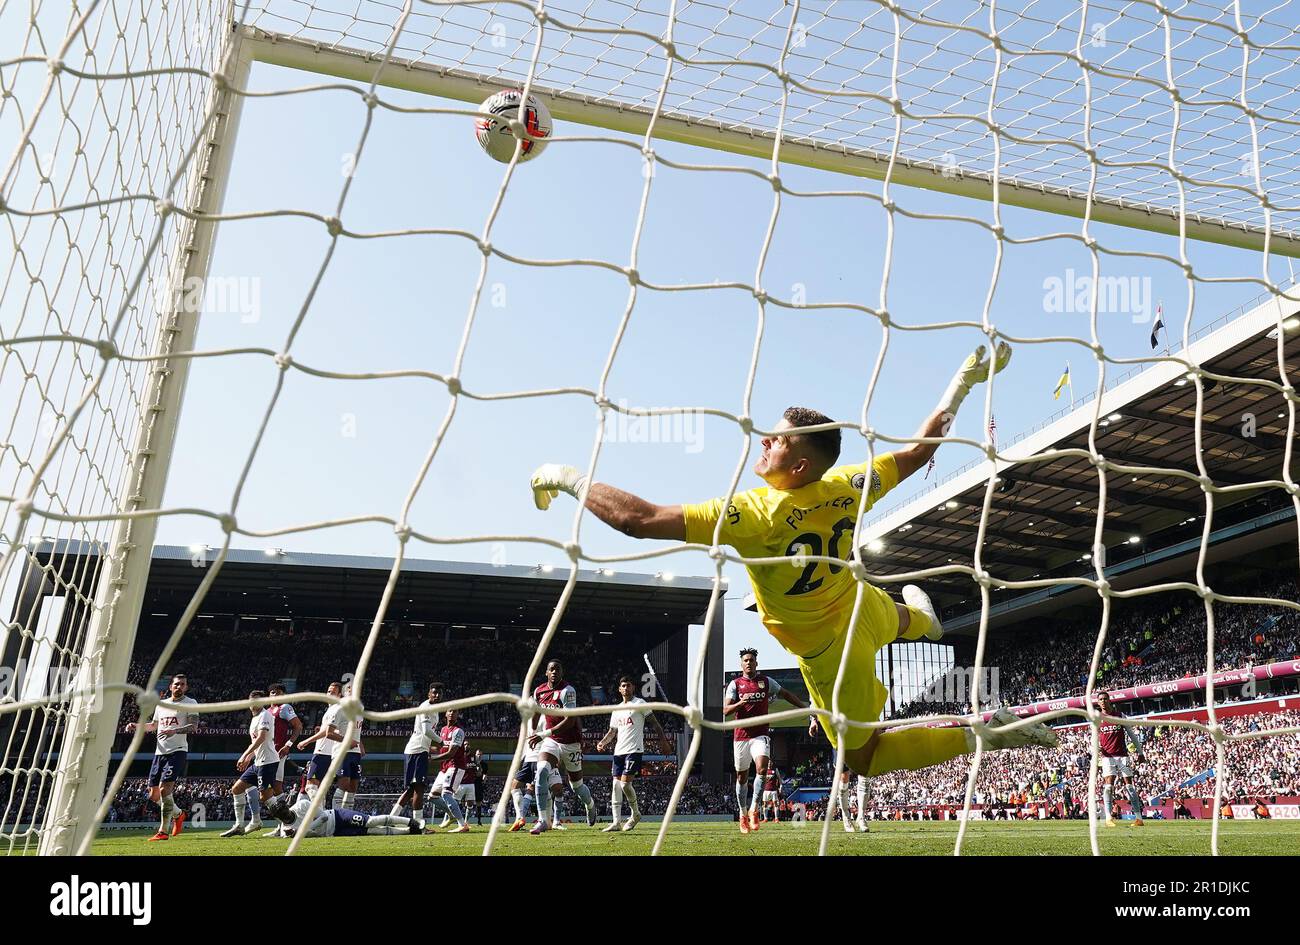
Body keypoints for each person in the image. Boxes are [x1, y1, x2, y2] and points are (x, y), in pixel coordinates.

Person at [529, 342, 1058, 779]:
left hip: (832, 650)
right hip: (862, 604)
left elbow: (636, 520)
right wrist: (964, 379)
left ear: (798, 462)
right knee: (896, 616)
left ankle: (982, 733)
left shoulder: (751, 514)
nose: (765, 440)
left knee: (863, 760)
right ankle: (923, 620)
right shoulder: (849, 482)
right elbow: (921, 451)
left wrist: (566, 475)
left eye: (777, 439)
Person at [723, 648, 816, 833]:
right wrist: (741, 704)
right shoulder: (735, 684)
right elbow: (725, 711)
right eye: (745, 660)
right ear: (741, 664)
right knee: (741, 777)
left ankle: (754, 810)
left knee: (762, 769)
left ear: (757, 663)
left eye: (751, 660)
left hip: (761, 734)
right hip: (741, 736)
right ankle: (742, 814)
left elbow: (787, 694)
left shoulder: (766, 682)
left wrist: (806, 709)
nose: (748, 663)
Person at [595, 674, 672, 831]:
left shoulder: (640, 703)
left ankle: (635, 814)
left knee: (625, 784)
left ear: (633, 688)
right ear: (619, 689)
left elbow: (655, 724)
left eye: (628, 685)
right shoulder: (616, 710)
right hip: (619, 751)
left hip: (634, 750)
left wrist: (663, 741)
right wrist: (603, 742)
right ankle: (616, 822)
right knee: (616, 784)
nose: (626, 688)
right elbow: (612, 731)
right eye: (623, 685)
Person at [126, 674, 197, 841]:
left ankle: (163, 831)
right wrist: (137, 726)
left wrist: (175, 730)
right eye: (176, 684)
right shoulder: (161, 705)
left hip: (177, 751)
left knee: (165, 790)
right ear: (171, 686)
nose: (179, 687)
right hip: (160, 753)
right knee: (153, 795)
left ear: (186, 687)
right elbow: (154, 725)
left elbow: (193, 726)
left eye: (183, 685)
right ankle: (179, 814)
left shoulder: (190, 703)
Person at [266, 793, 423, 838]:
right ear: (278, 818)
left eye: (286, 812)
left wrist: (300, 831)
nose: (287, 816)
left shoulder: (302, 805)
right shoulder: (286, 831)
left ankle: (411, 822)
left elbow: (323, 817)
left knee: (371, 822)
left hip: (337, 816)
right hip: (334, 832)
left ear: (287, 808)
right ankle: (410, 831)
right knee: (372, 832)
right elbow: (310, 834)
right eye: (283, 816)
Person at [1095, 691, 1145, 827]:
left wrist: (1140, 753)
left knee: (1129, 786)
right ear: (1098, 702)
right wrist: (1095, 750)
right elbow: (1093, 738)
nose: (1103, 701)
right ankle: (1109, 817)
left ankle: (1139, 818)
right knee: (1108, 786)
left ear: (1109, 700)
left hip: (1122, 755)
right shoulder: (1097, 718)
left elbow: (1132, 734)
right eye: (1100, 699)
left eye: (1105, 699)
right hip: (1107, 757)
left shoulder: (1119, 716)